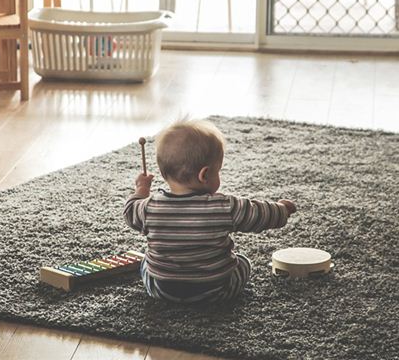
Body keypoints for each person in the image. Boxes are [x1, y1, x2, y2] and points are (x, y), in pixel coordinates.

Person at [124, 119, 297, 303]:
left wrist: (141, 189)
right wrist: (282, 210)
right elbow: (259, 214)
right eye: (218, 171)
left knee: (145, 262)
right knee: (243, 262)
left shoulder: (149, 207)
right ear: (204, 175)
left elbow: (129, 212)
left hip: (162, 290)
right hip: (216, 290)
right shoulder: (225, 207)